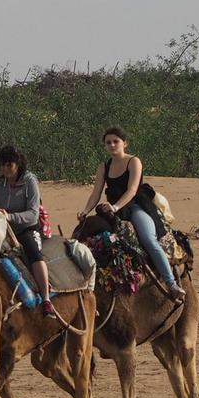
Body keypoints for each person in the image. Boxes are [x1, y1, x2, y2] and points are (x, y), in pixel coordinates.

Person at [77, 127, 185, 301]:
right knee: (86, 237)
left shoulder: (133, 161)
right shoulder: (103, 167)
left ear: (124, 143)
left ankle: (171, 284)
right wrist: (85, 211)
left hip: (134, 206)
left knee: (149, 239)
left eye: (115, 141)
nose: (112, 145)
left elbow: (132, 190)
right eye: (108, 142)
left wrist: (116, 207)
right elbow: (96, 193)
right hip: (112, 210)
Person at [0, 145, 56, 318]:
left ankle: (47, 299)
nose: (5, 169)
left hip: (27, 229)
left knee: (34, 252)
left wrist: (10, 217)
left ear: (18, 164)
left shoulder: (29, 181)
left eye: (9, 165)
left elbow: (33, 214)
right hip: (2, 230)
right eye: (2, 165)